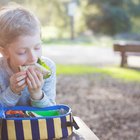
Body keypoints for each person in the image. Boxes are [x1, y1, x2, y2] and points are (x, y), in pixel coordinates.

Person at [0, 4, 56, 108]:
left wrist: (37, 94)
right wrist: (12, 91)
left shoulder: (48, 67)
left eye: (37, 48)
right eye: (22, 52)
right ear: (4, 52)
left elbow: (50, 113)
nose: (33, 58)